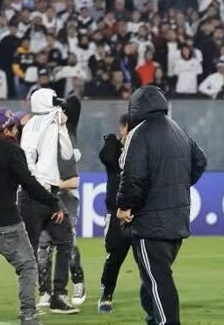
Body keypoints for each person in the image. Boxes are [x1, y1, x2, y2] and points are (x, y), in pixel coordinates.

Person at [116, 85, 208, 325]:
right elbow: (200, 160)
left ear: (135, 109)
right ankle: (153, 320)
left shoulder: (139, 133)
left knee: (158, 280)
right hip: (177, 219)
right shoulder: (177, 129)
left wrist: (125, 206)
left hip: (149, 222)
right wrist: (178, 185)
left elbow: (132, 176)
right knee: (153, 277)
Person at [0, 107, 65, 325]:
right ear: (9, 128)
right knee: (28, 266)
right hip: (7, 223)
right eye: (16, 127)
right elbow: (29, 183)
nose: (18, 131)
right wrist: (53, 201)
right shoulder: (11, 149)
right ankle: (28, 315)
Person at [18, 88, 78, 314]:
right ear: (45, 102)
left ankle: (58, 296)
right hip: (35, 194)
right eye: (53, 101)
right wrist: (38, 185)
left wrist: (61, 126)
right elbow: (28, 157)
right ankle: (30, 302)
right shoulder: (35, 126)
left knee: (64, 240)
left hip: (47, 194)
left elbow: (66, 152)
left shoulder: (44, 124)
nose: (57, 105)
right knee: (30, 251)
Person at [37, 95, 86, 307]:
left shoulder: (69, 130)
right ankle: (45, 291)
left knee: (67, 242)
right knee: (43, 245)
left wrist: (59, 103)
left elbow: (74, 103)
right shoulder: (42, 133)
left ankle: (78, 281)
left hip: (67, 196)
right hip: (47, 195)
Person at [97, 114, 131, 314]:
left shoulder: (142, 149)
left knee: (146, 259)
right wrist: (115, 140)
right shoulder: (115, 148)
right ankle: (106, 294)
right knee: (115, 256)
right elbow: (107, 158)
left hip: (138, 215)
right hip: (116, 214)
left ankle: (153, 295)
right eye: (129, 127)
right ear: (122, 128)